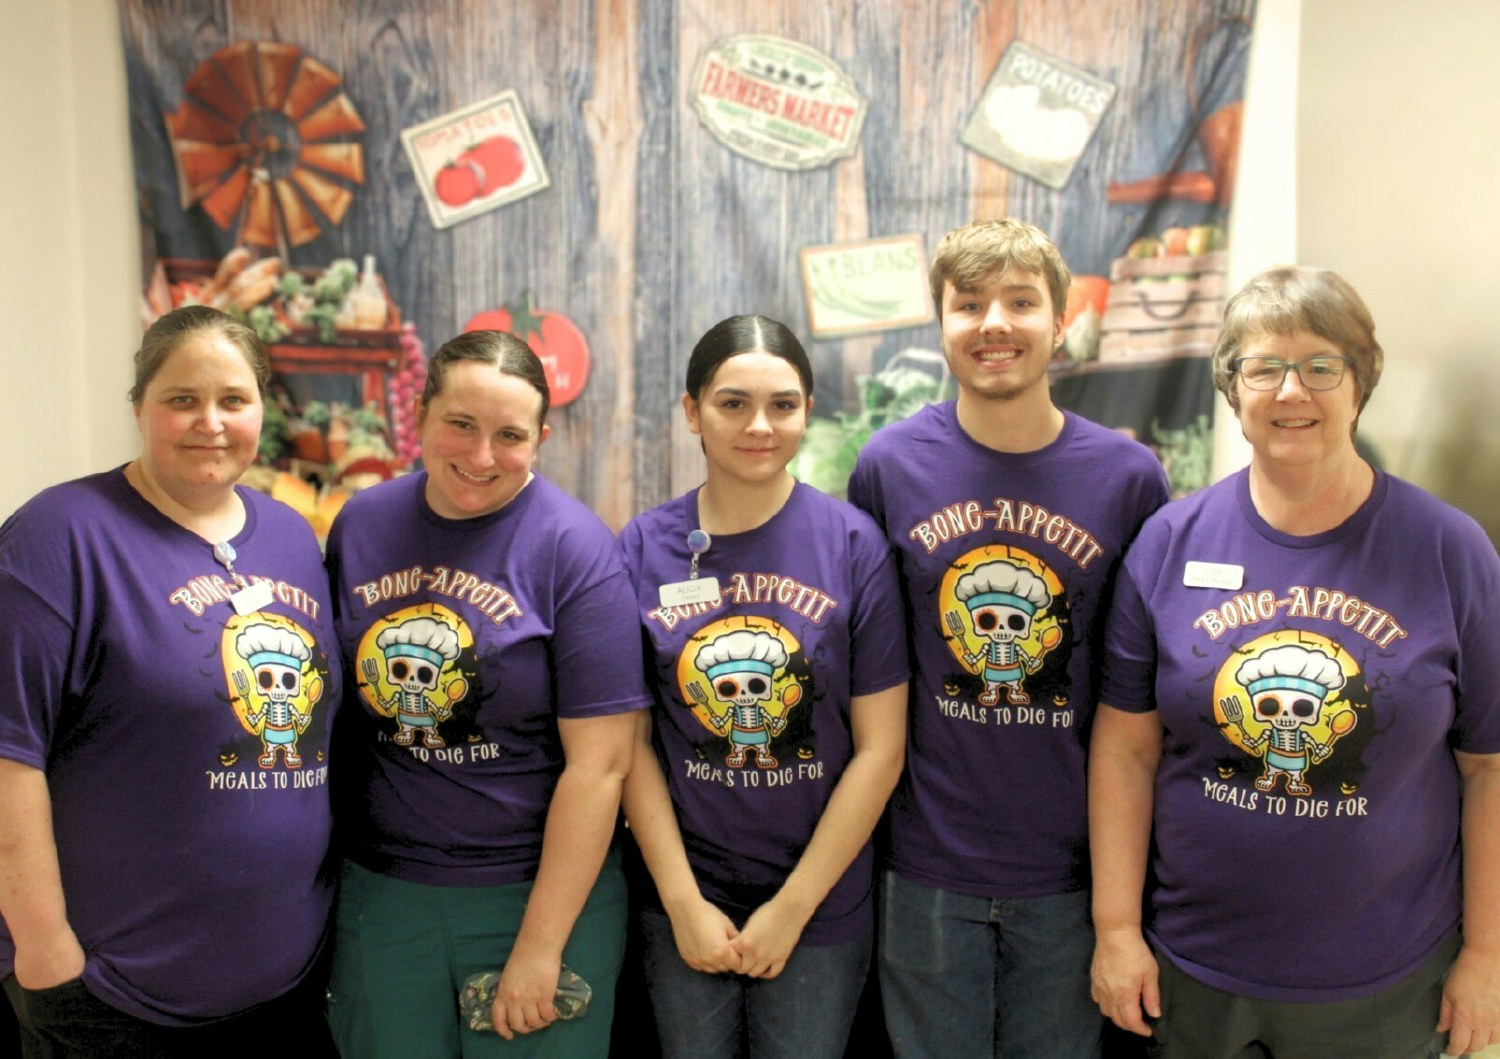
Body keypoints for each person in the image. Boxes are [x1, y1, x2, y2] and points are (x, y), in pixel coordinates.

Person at [1089, 265, 1500, 1059]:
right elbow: (1125, 747)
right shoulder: (1171, 543)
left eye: (1320, 366)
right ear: (1231, 387)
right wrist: (1115, 928)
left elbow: (1489, 769)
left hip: (1384, 980)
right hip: (1192, 970)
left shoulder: (1451, 551)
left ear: (1360, 382)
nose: (1291, 391)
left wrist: (1486, 955)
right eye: (1264, 366)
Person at [847, 218, 1170, 1058]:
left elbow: (1142, 698)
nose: (994, 323)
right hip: (923, 864)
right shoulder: (887, 468)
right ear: (941, 322)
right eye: (969, 303)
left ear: (1059, 322)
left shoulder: (1130, 479)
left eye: (1021, 302)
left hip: (1073, 871)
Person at [0, 305, 341, 1056]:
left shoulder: (289, 536)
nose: (209, 422)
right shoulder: (58, 537)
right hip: (114, 1000)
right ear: (139, 407)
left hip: (284, 991)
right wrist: (45, 947)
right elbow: (7, 757)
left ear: (262, 409)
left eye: (233, 400)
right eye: (181, 399)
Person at [323, 329, 648, 1057]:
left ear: (541, 436)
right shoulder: (363, 523)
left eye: (509, 435)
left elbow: (600, 767)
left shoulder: (575, 548)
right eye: (460, 424)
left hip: (535, 892)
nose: (479, 456)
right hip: (384, 890)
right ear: (420, 412)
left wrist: (539, 945)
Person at [618, 314, 909, 1058]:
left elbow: (880, 749)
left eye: (782, 404)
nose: (759, 425)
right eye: (732, 403)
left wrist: (795, 907)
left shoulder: (852, 546)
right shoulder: (640, 548)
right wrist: (682, 901)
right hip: (683, 894)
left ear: (807, 409)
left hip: (819, 904)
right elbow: (631, 747)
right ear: (692, 411)